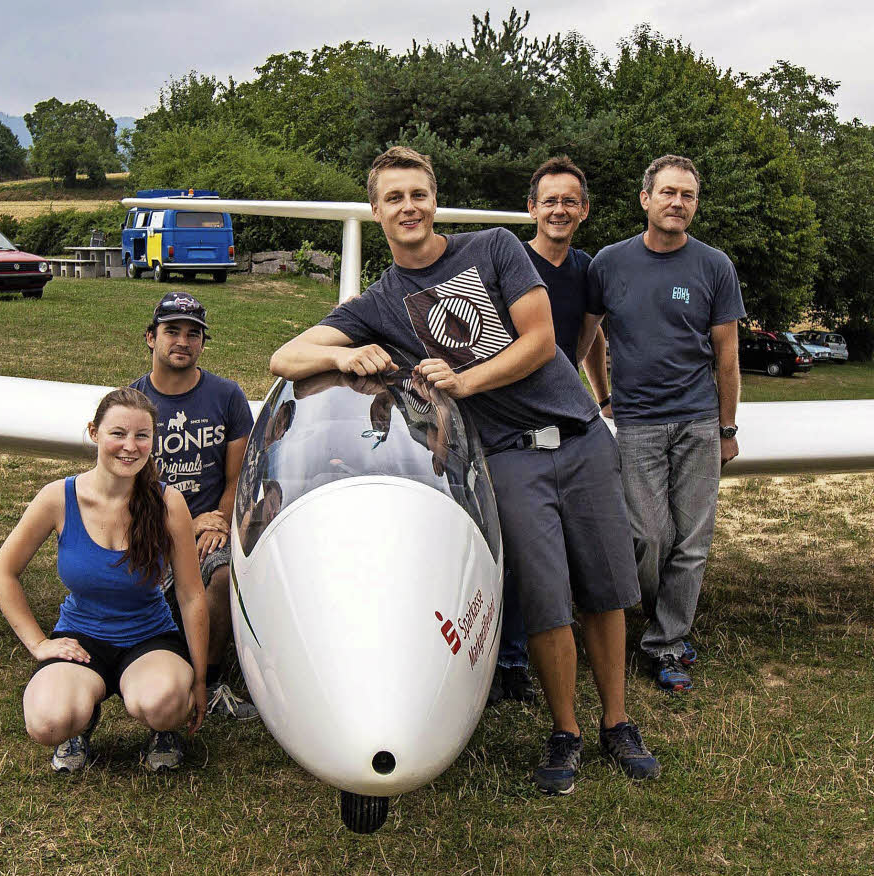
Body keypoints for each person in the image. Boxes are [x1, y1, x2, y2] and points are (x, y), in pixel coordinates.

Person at [270, 146, 659, 795]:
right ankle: (564, 731)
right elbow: (286, 357)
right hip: (506, 455)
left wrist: (466, 380)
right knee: (543, 599)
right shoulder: (379, 302)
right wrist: (353, 352)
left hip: (579, 435)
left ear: (434, 198)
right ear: (377, 212)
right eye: (393, 198)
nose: (408, 207)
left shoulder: (496, 248)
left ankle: (617, 722)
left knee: (606, 589)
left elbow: (539, 341)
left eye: (417, 194)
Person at [582, 154, 745, 692]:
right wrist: (601, 398)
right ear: (646, 199)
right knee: (648, 535)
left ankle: (667, 643)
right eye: (669, 193)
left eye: (689, 196)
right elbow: (589, 339)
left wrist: (727, 428)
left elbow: (727, 357)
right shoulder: (609, 262)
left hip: (698, 421)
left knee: (692, 541)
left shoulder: (714, 266)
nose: (678, 203)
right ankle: (661, 615)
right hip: (639, 424)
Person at [0, 388, 209, 773]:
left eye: (142, 436)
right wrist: (39, 643)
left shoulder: (167, 503)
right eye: (118, 434)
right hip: (81, 637)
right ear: (94, 433)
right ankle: (81, 720)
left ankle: (162, 731)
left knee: (164, 703)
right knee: (47, 722)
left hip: (148, 636)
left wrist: (201, 679)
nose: (130, 446)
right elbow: (2, 573)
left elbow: (191, 596)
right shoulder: (58, 497)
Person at [489, 155, 612, 707]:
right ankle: (511, 657)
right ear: (531, 208)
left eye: (570, 201)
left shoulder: (586, 271)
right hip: (513, 425)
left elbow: (589, 339)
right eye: (550, 201)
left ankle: (576, 654)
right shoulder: (508, 263)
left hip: (567, 420)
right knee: (521, 551)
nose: (559, 210)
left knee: (580, 548)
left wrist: (594, 395)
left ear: (583, 211)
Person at [131, 292, 259, 720]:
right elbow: (121, 485)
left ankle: (214, 676)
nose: (182, 341)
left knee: (223, 575)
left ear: (203, 343)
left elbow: (236, 477)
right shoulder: (131, 403)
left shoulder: (227, 396)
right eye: (171, 331)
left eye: (193, 334)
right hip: (152, 526)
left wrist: (220, 521)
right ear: (150, 338)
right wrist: (181, 522)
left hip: (208, 531)